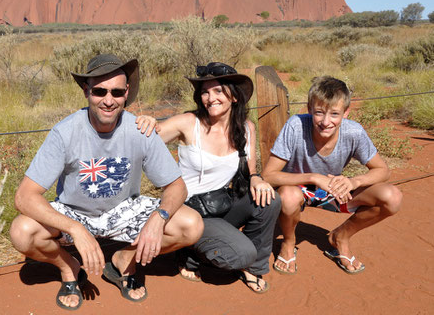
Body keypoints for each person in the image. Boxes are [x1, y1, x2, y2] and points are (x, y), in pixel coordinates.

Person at [9, 54, 203, 311]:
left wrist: (159, 218)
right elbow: (24, 196)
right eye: (100, 91)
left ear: (127, 92)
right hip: (74, 212)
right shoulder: (64, 133)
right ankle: (70, 268)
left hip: (125, 209)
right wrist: (76, 229)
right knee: (22, 233)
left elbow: (177, 186)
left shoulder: (140, 130)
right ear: (86, 91)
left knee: (191, 226)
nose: (109, 100)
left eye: (117, 92)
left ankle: (126, 260)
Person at [138, 62, 281, 294]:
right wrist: (148, 123)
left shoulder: (246, 128)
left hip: (222, 203)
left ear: (234, 97)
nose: (210, 97)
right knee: (240, 253)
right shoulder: (189, 123)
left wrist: (256, 178)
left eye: (218, 91)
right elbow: (147, 138)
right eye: (205, 91)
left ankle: (253, 267)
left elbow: (250, 171)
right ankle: (190, 253)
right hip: (191, 211)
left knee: (270, 199)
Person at [262, 76, 402, 275]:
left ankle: (341, 237)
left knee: (392, 198)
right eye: (319, 113)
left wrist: (353, 182)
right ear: (309, 108)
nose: (326, 122)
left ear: (346, 113)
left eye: (334, 114)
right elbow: (268, 176)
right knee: (289, 197)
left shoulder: (354, 132)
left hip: (333, 188)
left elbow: (383, 170)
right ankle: (289, 241)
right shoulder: (295, 126)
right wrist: (314, 177)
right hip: (297, 188)